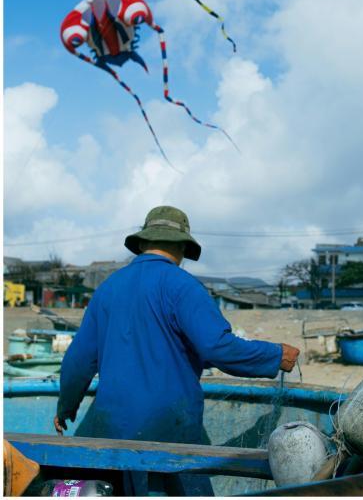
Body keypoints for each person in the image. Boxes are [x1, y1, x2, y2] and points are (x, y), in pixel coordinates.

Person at [54, 206, 300, 496]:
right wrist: (275, 355)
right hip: (170, 426)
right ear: (183, 247)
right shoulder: (184, 287)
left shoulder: (108, 289)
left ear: (143, 243)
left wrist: (66, 406)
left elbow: (79, 360)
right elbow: (218, 347)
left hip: (112, 427)